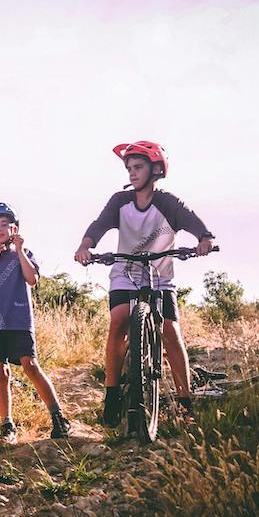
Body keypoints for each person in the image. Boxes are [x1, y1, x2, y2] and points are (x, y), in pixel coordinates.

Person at [73, 141, 215, 425]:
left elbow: (193, 222)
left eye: (138, 167)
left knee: (170, 331)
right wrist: (85, 246)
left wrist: (205, 239)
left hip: (160, 276)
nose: (132, 173)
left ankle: (185, 402)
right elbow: (98, 225)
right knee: (119, 319)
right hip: (124, 272)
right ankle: (112, 398)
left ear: (156, 169)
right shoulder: (119, 201)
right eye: (129, 168)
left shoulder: (167, 202)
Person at [0, 202, 70, 443]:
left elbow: (32, 278)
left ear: (14, 228)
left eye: (4, 224)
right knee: (0, 372)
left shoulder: (24, 253)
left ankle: (58, 417)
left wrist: (20, 249)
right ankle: (7, 425)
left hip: (18, 319)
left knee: (30, 365)